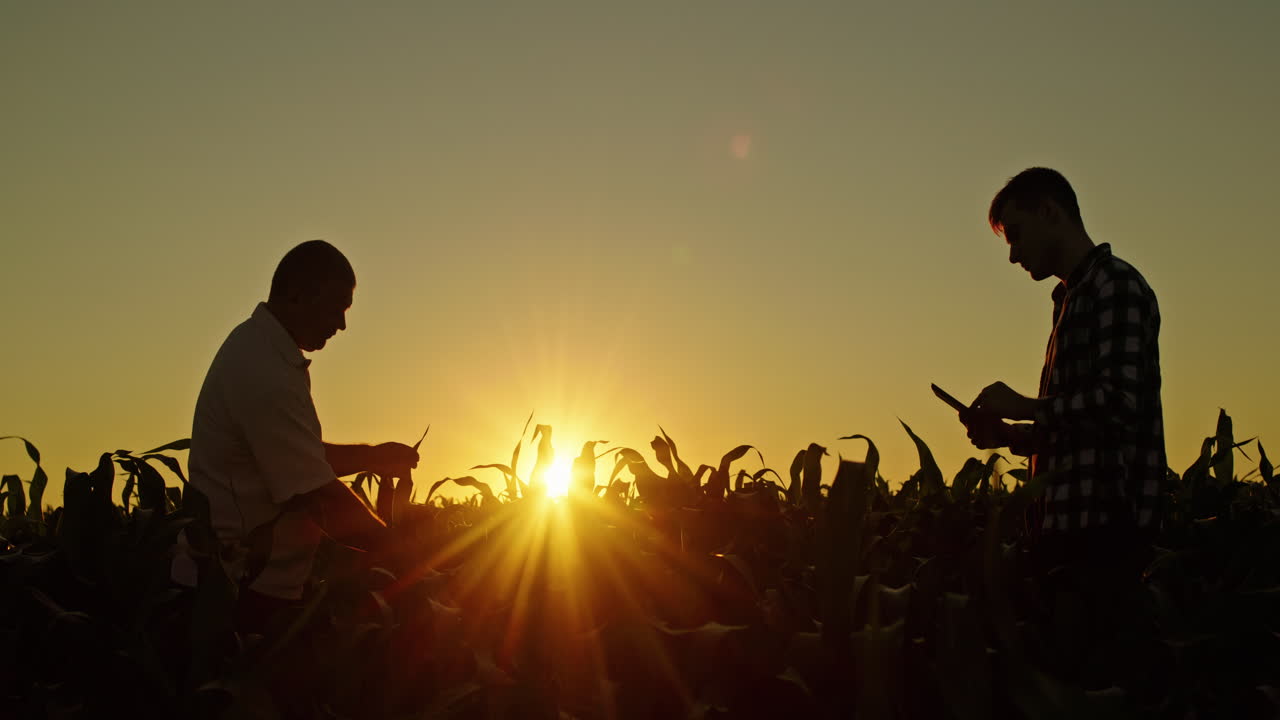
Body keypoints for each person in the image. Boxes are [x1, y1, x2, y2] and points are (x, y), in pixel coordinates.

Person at [961, 167, 1166, 690]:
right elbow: (1076, 427)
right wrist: (1011, 436)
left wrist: (1027, 405)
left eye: (1017, 234)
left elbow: (1117, 404)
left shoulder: (1116, 286)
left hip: (1104, 535)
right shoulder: (1072, 298)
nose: (1012, 255)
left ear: (1051, 211)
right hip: (1066, 535)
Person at [171, 239, 419, 633]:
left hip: (251, 585)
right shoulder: (263, 371)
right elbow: (312, 493)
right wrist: (405, 555)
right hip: (234, 591)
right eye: (336, 307)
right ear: (298, 294)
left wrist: (371, 457)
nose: (341, 325)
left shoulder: (263, 350)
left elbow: (298, 457)